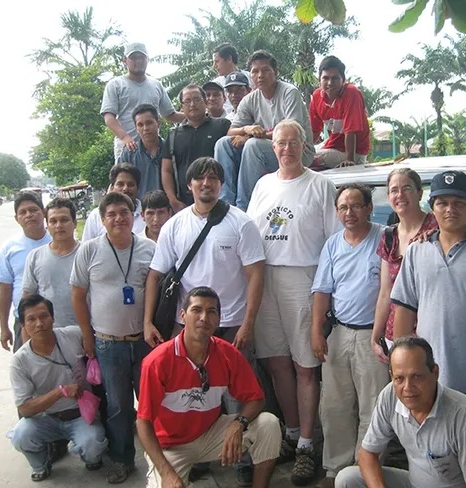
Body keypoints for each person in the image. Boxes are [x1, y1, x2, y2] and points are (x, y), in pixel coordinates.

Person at [145, 156, 266, 485]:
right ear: (189, 185)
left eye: (213, 178)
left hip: (233, 326)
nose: (206, 183)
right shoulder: (175, 225)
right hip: (192, 329)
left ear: (221, 184)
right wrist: (148, 322)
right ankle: (195, 451)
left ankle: (243, 460)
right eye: (200, 179)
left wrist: (248, 324)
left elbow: (256, 274)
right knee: (195, 395)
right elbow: (155, 275)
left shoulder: (240, 223)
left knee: (240, 398)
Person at [391, 170, 466, 463]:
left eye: (458, 202)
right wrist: (401, 364)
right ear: (431, 207)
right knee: (436, 455)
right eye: (442, 202)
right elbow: (404, 310)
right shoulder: (417, 251)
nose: (450, 209)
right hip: (431, 377)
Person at [247, 120, 340, 486]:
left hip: (303, 279)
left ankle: (306, 442)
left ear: (304, 146)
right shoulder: (262, 185)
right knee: (276, 362)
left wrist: (326, 293)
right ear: (272, 147)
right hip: (264, 279)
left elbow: (334, 244)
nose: (286, 149)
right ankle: (288, 432)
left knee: (305, 366)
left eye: (292, 142)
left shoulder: (320, 184)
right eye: (280, 143)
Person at [137, 286, 281, 488]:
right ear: (183, 315)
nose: (204, 317)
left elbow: (257, 399)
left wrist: (238, 423)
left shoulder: (227, 353)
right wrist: (165, 472)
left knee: (268, 424)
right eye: (196, 310)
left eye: (211, 311)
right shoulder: (157, 361)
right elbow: (143, 423)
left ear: (219, 320)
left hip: (210, 433)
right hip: (170, 446)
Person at [71, 192, 156, 484]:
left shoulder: (149, 248)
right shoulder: (90, 250)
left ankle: (162, 456)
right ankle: (122, 459)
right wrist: (87, 336)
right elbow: (78, 295)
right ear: (103, 219)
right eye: (111, 214)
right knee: (119, 407)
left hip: (144, 342)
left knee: (152, 402)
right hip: (108, 343)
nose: (118, 218)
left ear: (134, 215)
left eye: (124, 211)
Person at [334, 336, 466, 488]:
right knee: (347, 479)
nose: (408, 388)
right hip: (412, 483)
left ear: (435, 373)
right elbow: (367, 454)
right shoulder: (390, 395)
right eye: (399, 378)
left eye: (417, 376)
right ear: (392, 376)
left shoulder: (464, 415)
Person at [310, 183, 388, 488]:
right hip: (340, 333)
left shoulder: (384, 237)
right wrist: (317, 331)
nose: (349, 213)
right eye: (343, 207)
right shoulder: (332, 244)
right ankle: (336, 469)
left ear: (369, 208)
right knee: (334, 405)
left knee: (373, 406)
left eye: (356, 206)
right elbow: (322, 291)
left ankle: (366, 469)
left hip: (374, 336)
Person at [8, 294, 107, 482]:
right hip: (46, 419)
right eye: (31, 319)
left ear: (53, 318)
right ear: (23, 325)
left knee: (93, 446)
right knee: (21, 436)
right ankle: (40, 463)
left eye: (44, 316)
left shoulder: (73, 335)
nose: (39, 323)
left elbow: (98, 338)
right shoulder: (19, 362)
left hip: (80, 415)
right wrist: (59, 392)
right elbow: (24, 409)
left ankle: (88, 453)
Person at [215, 50, 315, 210]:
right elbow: (230, 132)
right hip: (269, 149)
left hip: (297, 151)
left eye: (265, 70)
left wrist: (248, 137)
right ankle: (225, 204)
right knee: (223, 144)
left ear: (275, 72)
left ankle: (244, 208)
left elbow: (291, 132)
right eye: (255, 71)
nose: (260, 75)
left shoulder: (289, 92)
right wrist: (247, 128)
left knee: (253, 145)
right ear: (251, 75)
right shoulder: (250, 99)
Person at [372, 169, 438, 361]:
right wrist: (376, 335)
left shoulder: (437, 228)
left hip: (431, 333)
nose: (400, 195)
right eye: (394, 190)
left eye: (406, 188)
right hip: (397, 334)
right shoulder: (389, 236)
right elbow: (385, 292)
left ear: (420, 192)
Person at [101, 42, 185, 162]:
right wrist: (125, 137)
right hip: (127, 149)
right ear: (125, 60)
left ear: (147, 59)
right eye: (134, 57)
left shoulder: (156, 85)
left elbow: (170, 116)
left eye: (141, 57)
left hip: (154, 150)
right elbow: (109, 117)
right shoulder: (115, 85)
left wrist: (198, 115)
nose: (138, 61)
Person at [161, 85, 231, 213]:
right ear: (181, 107)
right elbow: (166, 170)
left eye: (197, 99)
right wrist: (172, 199)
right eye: (187, 101)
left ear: (205, 102)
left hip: (219, 200)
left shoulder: (222, 125)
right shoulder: (173, 135)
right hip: (185, 205)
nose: (192, 104)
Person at [0, 191, 52, 352]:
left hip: (57, 320)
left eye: (33, 210)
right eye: (23, 212)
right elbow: (5, 289)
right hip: (25, 321)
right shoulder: (10, 248)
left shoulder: (58, 240)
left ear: (43, 212)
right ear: (16, 218)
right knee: (28, 370)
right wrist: (4, 327)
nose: (29, 215)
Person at [22, 197, 80, 328]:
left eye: (64, 220)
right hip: (48, 333)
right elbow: (27, 299)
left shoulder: (87, 254)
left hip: (85, 332)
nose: (59, 226)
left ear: (75, 223)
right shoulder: (35, 257)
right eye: (53, 221)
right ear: (47, 225)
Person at [309, 56, 370, 169]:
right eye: (325, 78)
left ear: (343, 79)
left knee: (307, 159)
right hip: (333, 145)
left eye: (335, 78)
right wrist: (304, 149)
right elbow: (315, 130)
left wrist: (349, 160)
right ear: (319, 80)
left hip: (354, 152)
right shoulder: (317, 96)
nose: (330, 83)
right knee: (300, 154)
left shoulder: (352, 93)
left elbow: (350, 132)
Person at [81, 164, 146, 241]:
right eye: (120, 184)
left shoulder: (147, 214)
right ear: (112, 187)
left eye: (130, 185)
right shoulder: (96, 216)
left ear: (138, 188)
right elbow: (87, 247)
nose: (125, 188)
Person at [119, 104, 166, 199]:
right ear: (136, 128)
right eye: (140, 125)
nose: (145, 128)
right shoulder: (129, 153)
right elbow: (119, 182)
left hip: (168, 208)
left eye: (149, 123)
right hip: (140, 209)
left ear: (158, 124)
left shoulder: (170, 149)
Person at [212, 43, 254, 113]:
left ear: (229, 59)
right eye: (229, 91)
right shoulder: (215, 84)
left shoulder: (251, 78)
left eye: (217, 61)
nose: (214, 66)